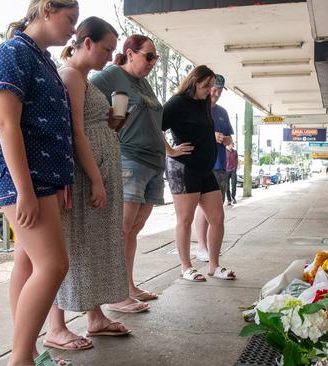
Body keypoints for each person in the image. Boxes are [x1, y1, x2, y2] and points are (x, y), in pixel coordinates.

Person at [0, 1, 79, 364]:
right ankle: (20, 359)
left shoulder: (41, 58)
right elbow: (7, 125)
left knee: (27, 262)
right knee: (53, 265)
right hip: (24, 176)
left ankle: (27, 350)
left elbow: (50, 126)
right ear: (47, 10)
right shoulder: (13, 53)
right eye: (70, 20)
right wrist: (24, 190)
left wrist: (61, 176)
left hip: (43, 176)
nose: (72, 29)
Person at [43, 16, 133, 352]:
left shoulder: (85, 79)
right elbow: (76, 132)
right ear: (87, 43)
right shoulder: (70, 75)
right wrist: (96, 179)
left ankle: (94, 316)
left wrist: (112, 119)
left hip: (98, 170)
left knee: (92, 246)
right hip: (85, 176)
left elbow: (91, 125)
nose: (111, 56)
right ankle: (56, 326)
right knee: (73, 245)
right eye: (107, 48)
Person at [90, 34, 169, 312]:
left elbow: (154, 121)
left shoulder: (142, 82)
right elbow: (82, 95)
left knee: (134, 229)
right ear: (130, 53)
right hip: (129, 159)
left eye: (155, 58)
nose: (152, 62)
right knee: (121, 230)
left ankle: (128, 285)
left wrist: (168, 151)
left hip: (153, 163)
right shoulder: (111, 75)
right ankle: (115, 294)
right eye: (149, 56)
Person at [162, 65, 236, 282]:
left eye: (212, 86)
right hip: (183, 168)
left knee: (218, 217)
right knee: (185, 219)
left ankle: (214, 266)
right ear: (194, 82)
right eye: (206, 86)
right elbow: (154, 126)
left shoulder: (204, 103)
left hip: (206, 168)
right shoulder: (177, 103)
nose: (210, 90)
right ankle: (186, 267)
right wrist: (170, 150)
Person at [193, 75, 233, 262]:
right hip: (202, 164)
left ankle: (210, 249)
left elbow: (230, 140)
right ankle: (201, 246)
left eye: (219, 90)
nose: (216, 94)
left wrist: (225, 140)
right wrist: (210, 135)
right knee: (204, 206)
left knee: (217, 208)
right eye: (213, 89)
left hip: (220, 165)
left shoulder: (223, 113)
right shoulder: (195, 108)